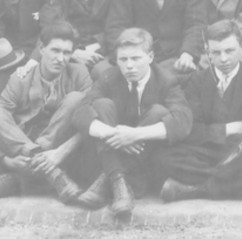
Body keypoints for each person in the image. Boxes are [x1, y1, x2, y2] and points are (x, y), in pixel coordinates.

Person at [154, 20, 242, 201]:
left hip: (241, 154)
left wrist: (236, 156)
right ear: (207, 52)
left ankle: (195, 190)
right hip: (205, 152)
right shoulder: (197, 81)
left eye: (229, 51)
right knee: (163, 156)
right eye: (216, 52)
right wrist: (227, 129)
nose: (223, 59)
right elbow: (192, 129)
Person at [69, 28, 193, 218]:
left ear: (150, 56)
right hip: (108, 152)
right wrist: (111, 134)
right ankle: (119, 183)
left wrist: (135, 135)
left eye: (136, 59)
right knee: (102, 104)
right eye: (123, 59)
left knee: (158, 112)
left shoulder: (165, 81)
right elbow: (80, 111)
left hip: (142, 167)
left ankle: (107, 181)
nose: (129, 66)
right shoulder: (109, 77)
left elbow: (183, 120)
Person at [0, 22, 92, 201]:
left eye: (67, 52)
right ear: (41, 48)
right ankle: (51, 174)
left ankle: (20, 180)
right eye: (55, 50)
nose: (61, 58)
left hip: (60, 145)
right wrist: (6, 161)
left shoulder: (78, 73)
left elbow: (91, 118)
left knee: (76, 99)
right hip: (24, 142)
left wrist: (58, 152)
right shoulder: (21, 78)